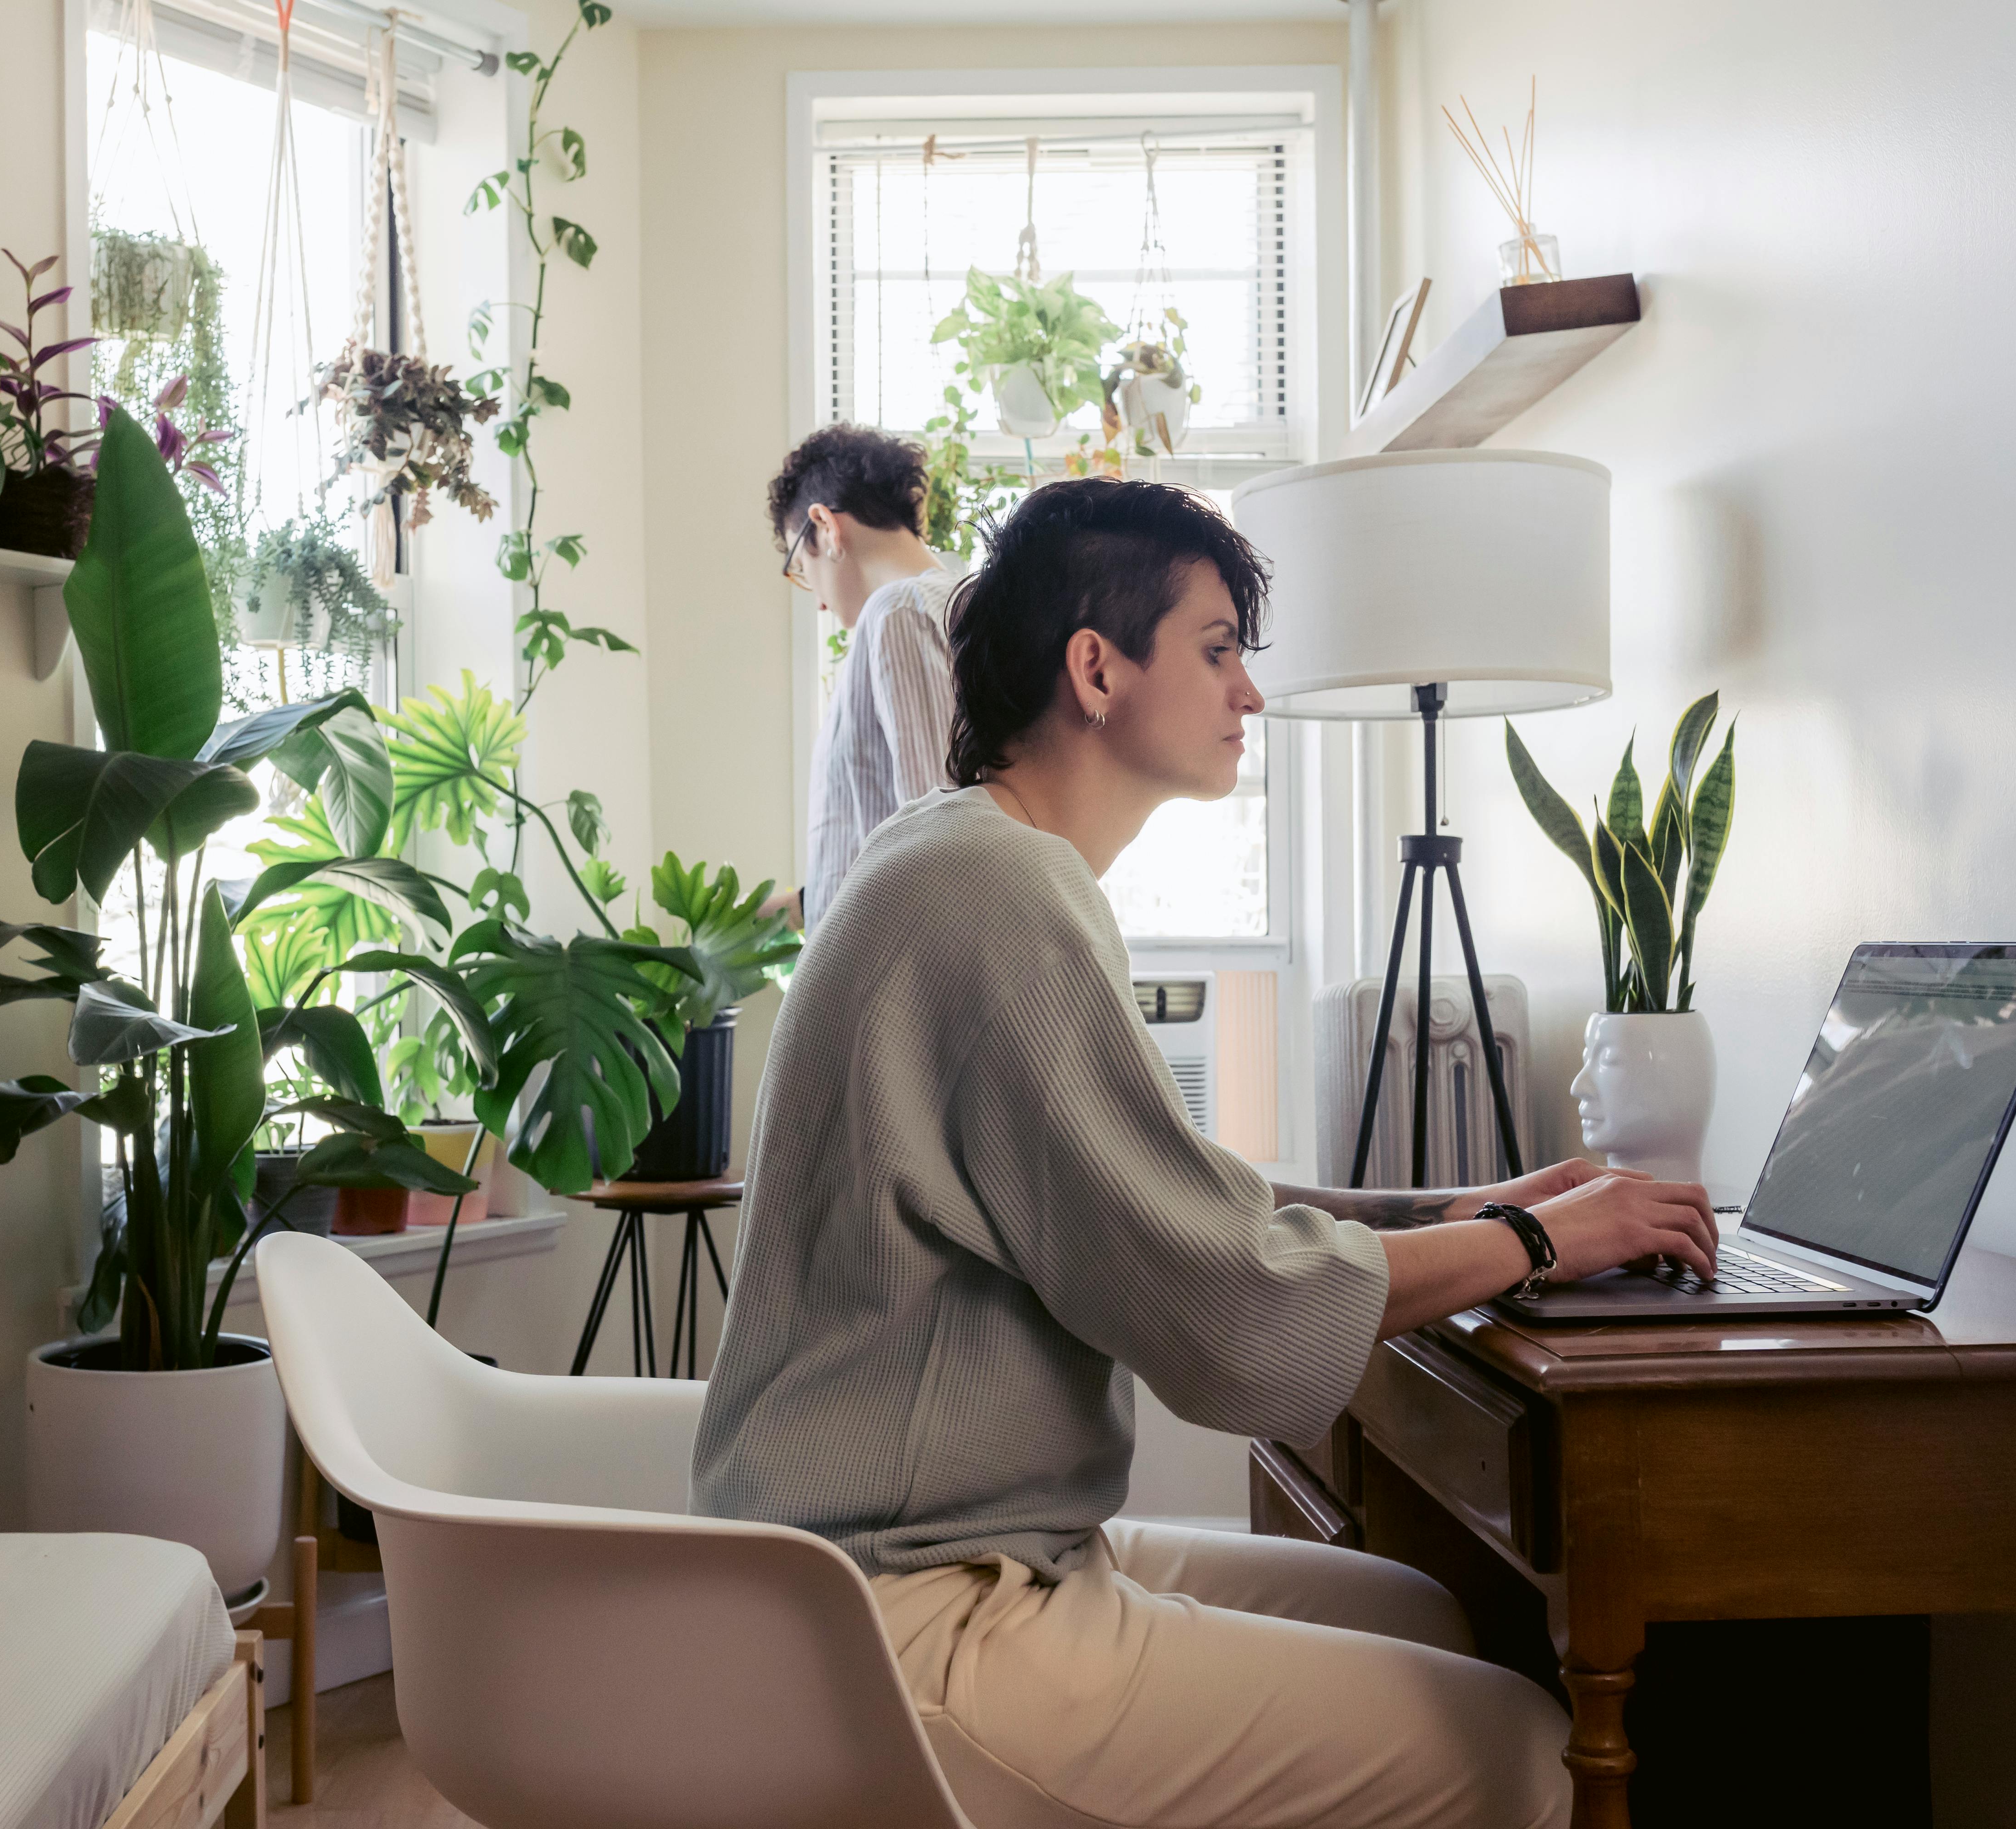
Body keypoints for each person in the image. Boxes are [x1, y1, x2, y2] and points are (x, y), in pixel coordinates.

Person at [694, 477, 1720, 1829]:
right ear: (1096, 668)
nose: (1248, 695)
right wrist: (1533, 1244)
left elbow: (1159, 1193)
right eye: (1218, 649)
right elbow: (1225, 1309)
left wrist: (1452, 1207)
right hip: (912, 1619)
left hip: (899, 1573)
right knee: (1525, 1751)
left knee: (1423, 1610)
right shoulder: (998, 896)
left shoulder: (966, 860)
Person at [764, 424, 960, 929]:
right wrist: (808, 904)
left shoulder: (899, 611)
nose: (822, 601)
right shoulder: (952, 606)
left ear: (825, 527)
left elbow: (938, 835)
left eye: (801, 570)